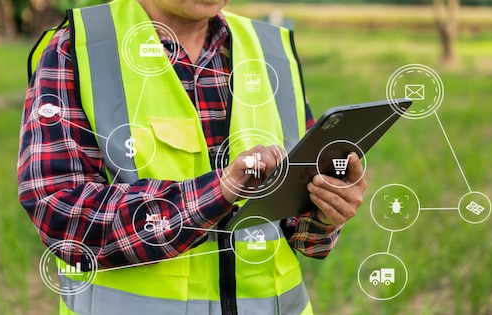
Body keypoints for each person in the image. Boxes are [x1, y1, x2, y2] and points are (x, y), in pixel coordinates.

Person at [18, 0, 367, 314]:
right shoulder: (78, 48)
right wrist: (221, 190)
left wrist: (325, 209)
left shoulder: (271, 51)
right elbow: (63, 215)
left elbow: (297, 228)